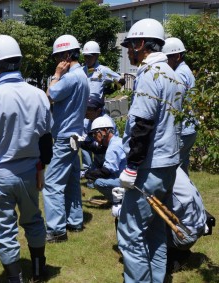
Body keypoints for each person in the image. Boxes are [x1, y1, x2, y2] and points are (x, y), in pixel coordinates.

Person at [0, 35, 53, 283]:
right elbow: (46, 139)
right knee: (34, 220)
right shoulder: (39, 95)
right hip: (29, 172)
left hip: (0, 177)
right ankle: (38, 269)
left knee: (5, 230)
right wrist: (42, 167)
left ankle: (15, 278)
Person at [118, 18, 183, 282]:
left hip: (149, 166)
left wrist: (131, 167)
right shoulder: (172, 74)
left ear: (141, 43)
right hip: (169, 163)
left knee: (131, 232)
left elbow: (142, 126)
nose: (128, 52)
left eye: (130, 46)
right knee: (155, 230)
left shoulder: (149, 75)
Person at [43, 34, 89, 243]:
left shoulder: (69, 77)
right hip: (75, 135)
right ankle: (75, 221)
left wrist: (56, 74)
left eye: (57, 58)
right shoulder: (83, 75)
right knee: (71, 181)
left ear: (66, 55)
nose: (57, 62)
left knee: (52, 183)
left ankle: (56, 229)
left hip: (63, 137)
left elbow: (48, 96)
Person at [81, 41, 124, 178]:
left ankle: (105, 169)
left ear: (96, 56)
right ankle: (88, 170)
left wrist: (110, 88)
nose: (87, 59)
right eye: (85, 56)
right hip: (84, 111)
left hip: (97, 111)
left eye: (90, 56)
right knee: (85, 140)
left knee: (101, 139)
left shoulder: (103, 71)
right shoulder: (81, 71)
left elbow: (120, 79)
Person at [162, 37, 197, 176]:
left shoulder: (180, 74)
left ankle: (183, 197)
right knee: (182, 168)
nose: (165, 63)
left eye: (167, 59)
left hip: (183, 129)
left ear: (177, 56)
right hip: (189, 128)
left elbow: (176, 100)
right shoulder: (184, 70)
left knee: (175, 170)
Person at [166, 167, 207, 272]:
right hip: (199, 225)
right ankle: (179, 255)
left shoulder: (157, 175)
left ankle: (170, 262)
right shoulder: (173, 165)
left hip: (186, 234)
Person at [83, 116, 126, 202]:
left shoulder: (113, 147)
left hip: (125, 180)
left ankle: (120, 200)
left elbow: (106, 172)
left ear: (105, 131)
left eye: (95, 133)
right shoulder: (116, 141)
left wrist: (87, 174)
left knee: (99, 183)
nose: (94, 137)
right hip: (123, 176)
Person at [80, 96, 119, 181]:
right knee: (92, 181)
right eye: (85, 108)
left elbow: (107, 147)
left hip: (109, 154)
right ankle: (89, 172)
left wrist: (87, 144)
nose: (86, 111)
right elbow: (86, 141)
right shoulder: (86, 121)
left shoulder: (107, 122)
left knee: (102, 181)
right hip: (98, 156)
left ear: (98, 110)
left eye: (89, 109)